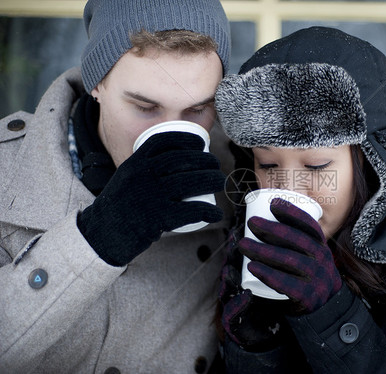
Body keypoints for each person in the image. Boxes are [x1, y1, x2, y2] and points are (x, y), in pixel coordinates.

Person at [214, 26, 386, 373]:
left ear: (367, 159)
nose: (289, 189)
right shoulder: (242, 247)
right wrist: (256, 342)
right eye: (268, 164)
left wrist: (329, 311)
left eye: (316, 165)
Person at [0, 0, 232, 372]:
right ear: (97, 83)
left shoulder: (240, 171)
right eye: (144, 106)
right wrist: (98, 238)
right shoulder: (7, 170)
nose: (166, 133)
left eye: (196, 110)